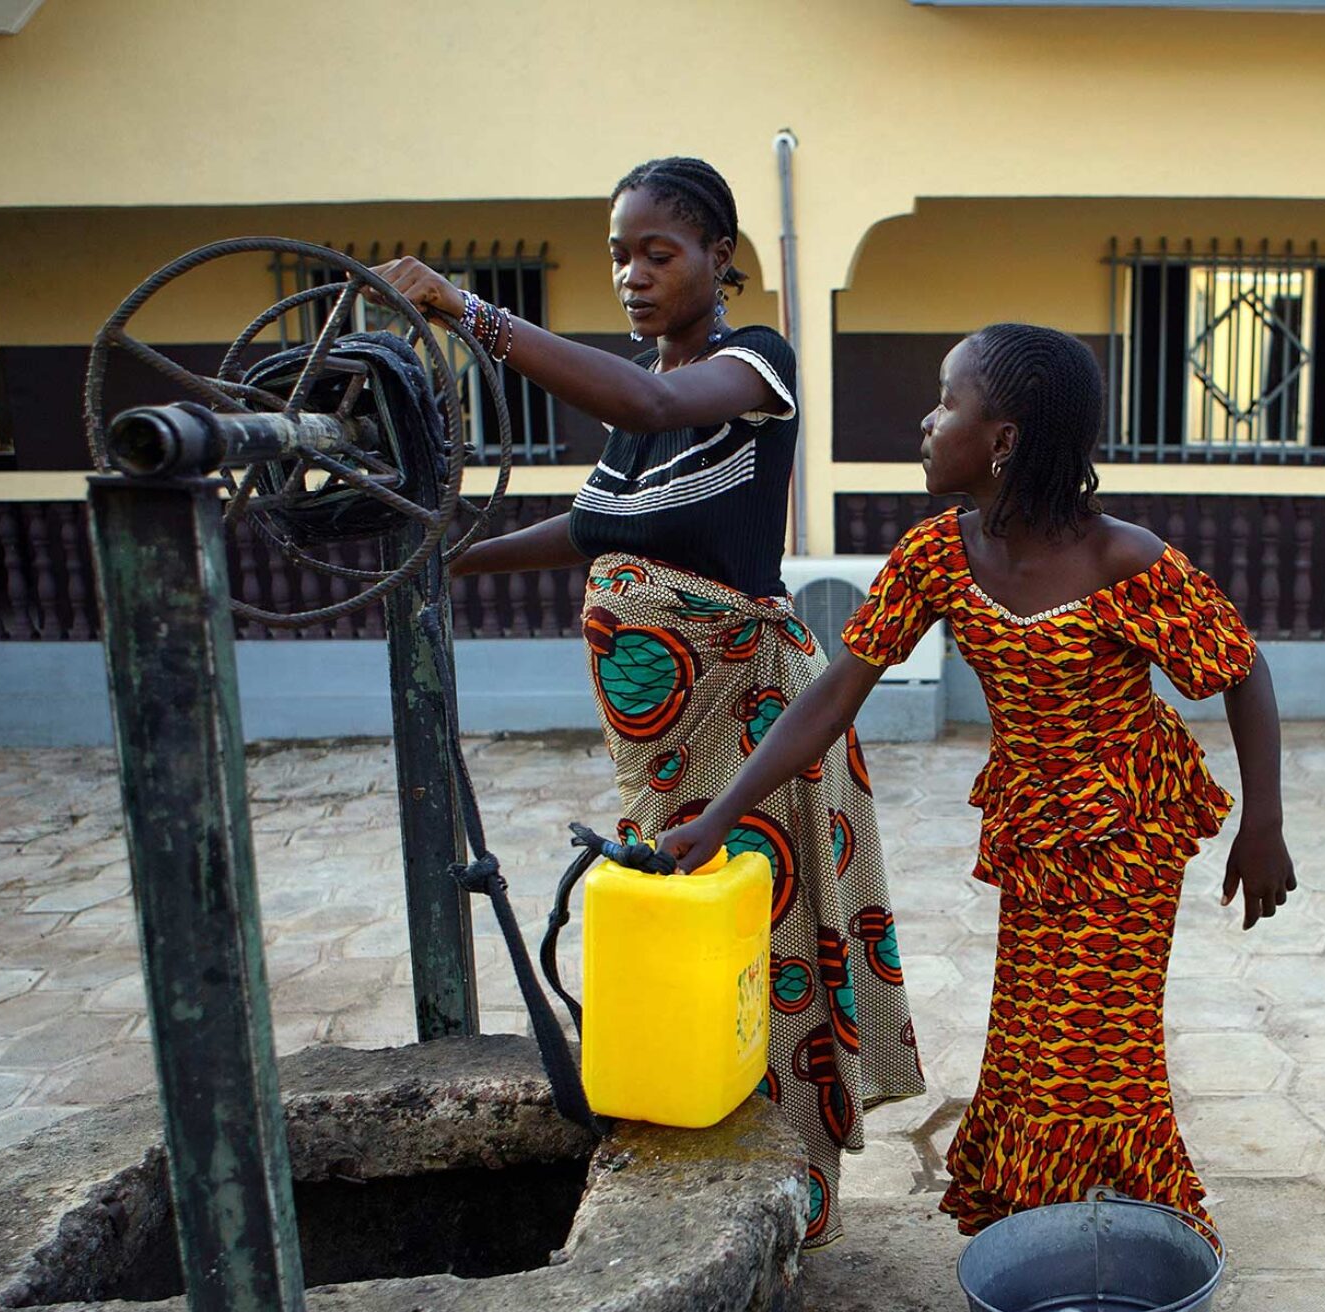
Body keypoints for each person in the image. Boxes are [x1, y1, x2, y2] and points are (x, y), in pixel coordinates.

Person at [365, 157, 924, 1248]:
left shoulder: (747, 367)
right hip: (665, 755)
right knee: (680, 958)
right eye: (617, 252)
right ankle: (694, 1193)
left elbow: (657, 397)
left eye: (656, 251)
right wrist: (444, 557)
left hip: (758, 725)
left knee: (764, 953)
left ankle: (784, 1211)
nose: (631, 273)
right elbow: (592, 531)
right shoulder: (629, 409)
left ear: (720, 258)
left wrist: (468, 311)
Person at [657, 322, 1296, 1234]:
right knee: (1034, 1030)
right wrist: (718, 815)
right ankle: (1048, 1209)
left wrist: (1261, 826)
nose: (924, 421)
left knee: (1101, 1043)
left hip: (1129, 827)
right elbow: (831, 698)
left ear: (1003, 440)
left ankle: (1110, 1227)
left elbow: (1240, 669)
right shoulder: (936, 557)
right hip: (1033, 824)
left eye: (946, 400)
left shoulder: (1124, 560)